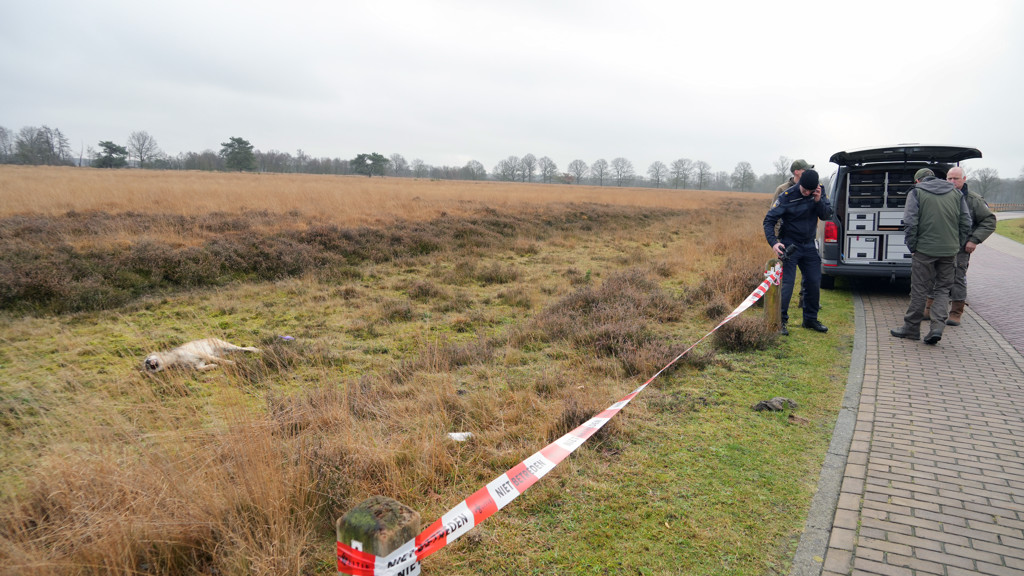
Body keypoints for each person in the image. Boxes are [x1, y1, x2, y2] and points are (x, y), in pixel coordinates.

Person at [890, 168, 970, 345]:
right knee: (943, 289)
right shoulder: (956, 193)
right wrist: (957, 245)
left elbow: (910, 222)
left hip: (924, 250)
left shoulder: (916, 192)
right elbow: (966, 222)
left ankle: (911, 328)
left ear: (918, 181)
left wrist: (912, 246)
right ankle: (937, 328)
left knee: (919, 289)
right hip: (949, 251)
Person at [922, 166, 996, 326]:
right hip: (939, 245)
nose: (952, 181)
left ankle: (956, 312)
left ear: (964, 179)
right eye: (949, 178)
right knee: (933, 276)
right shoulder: (940, 195)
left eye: (956, 178)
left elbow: (989, 221)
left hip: (960, 247)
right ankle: (929, 308)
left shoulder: (974, 200)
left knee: (957, 278)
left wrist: (974, 240)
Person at [763, 169, 832, 335]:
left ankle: (810, 319)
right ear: (799, 183)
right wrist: (774, 243)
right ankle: (780, 322)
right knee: (787, 283)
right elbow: (769, 221)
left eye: (810, 191)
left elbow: (826, 214)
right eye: (804, 190)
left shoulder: (818, 191)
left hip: (809, 245)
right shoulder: (787, 196)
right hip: (790, 245)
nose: (807, 193)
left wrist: (817, 201)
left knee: (814, 282)